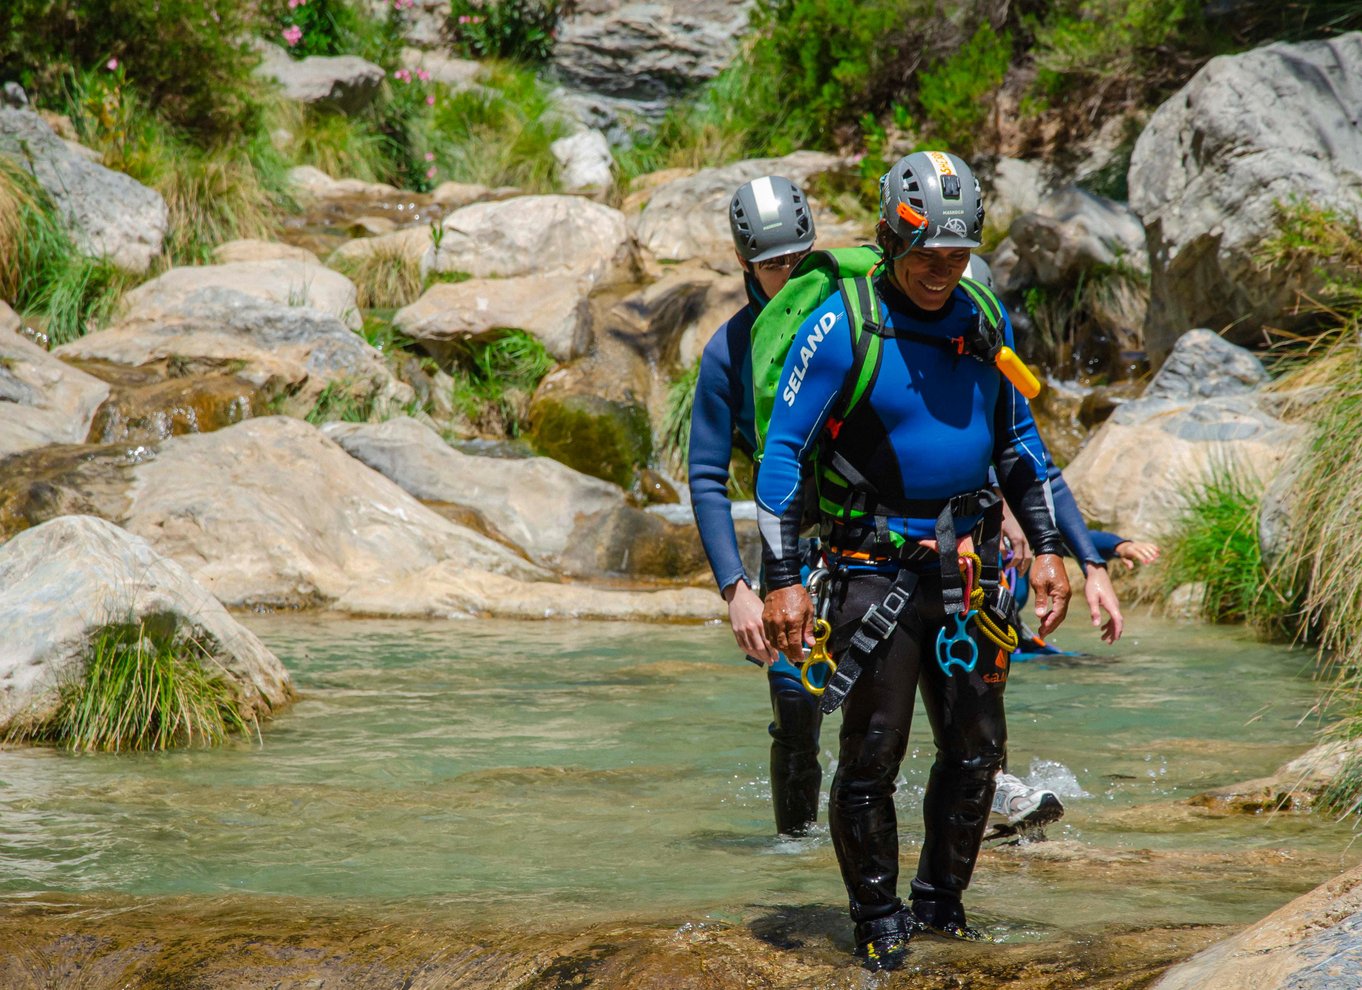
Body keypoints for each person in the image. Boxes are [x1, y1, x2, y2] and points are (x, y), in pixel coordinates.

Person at [757, 150, 1075, 970]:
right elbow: (782, 458)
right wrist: (782, 581)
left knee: (977, 753)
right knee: (871, 756)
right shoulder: (843, 322)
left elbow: (1018, 441)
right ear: (892, 241)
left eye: (958, 253)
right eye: (928, 253)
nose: (943, 269)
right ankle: (878, 921)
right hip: (874, 574)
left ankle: (942, 907)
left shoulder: (980, 316)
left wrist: (1047, 549)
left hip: (971, 575)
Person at [688, 174, 823, 837]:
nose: (789, 274)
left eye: (800, 259)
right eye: (774, 265)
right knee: (797, 712)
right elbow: (707, 476)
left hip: (880, 535)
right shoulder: (728, 353)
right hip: (789, 549)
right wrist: (735, 589)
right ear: (745, 265)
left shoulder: (850, 321)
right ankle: (796, 859)